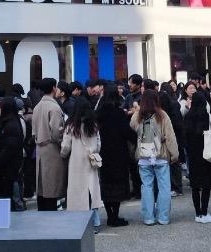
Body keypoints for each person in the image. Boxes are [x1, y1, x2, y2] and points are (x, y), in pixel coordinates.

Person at [130, 89, 179, 225]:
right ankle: (163, 217)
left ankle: (148, 217)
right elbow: (170, 137)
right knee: (164, 187)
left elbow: (132, 128)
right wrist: (174, 154)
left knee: (146, 186)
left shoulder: (137, 115)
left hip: (144, 156)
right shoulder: (162, 115)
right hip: (161, 155)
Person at [95, 83, 135, 227]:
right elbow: (127, 132)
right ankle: (115, 216)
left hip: (103, 153)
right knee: (118, 184)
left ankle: (110, 215)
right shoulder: (119, 113)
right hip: (119, 153)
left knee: (106, 185)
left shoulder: (99, 113)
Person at [61, 100, 103, 229]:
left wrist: (62, 154)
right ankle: (95, 222)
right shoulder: (93, 125)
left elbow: (66, 147)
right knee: (92, 191)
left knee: (77, 192)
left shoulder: (72, 126)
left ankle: (78, 222)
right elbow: (98, 144)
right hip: (91, 162)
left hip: (76, 162)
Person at [182, 89, 211, 222]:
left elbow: (184, 136)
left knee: (195, 186)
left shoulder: (187, 116)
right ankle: (205, 212)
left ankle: (198, 214)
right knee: (206, 185)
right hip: (205, 153)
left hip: (192, 154)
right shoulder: (206, 116)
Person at [31, 77, 67, 211]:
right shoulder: (54, 107)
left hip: (39, 147)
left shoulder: (37, 107)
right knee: (52, 185)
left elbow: (34, 131)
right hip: (52, 148)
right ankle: (50, 215)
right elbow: (57, 132)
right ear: (53, 88)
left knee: (41, 185)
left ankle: (42, 212)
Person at [158, 85, 186, 196]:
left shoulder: (169, 109)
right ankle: (175, 186)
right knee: (174, 162)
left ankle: (177, 187)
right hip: (175, 137)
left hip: (173, 137)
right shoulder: (173, 104)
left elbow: (177, 125)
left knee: (174, 162)